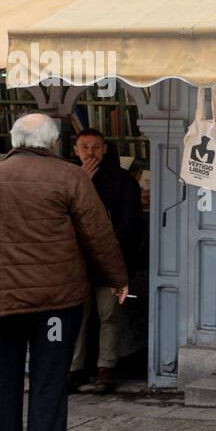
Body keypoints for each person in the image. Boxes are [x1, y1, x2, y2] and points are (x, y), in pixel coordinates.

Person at [0, 113, 128, 431]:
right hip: (55, 302)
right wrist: (117, 278)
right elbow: (98, 233)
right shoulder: (69, 176)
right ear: (53, 142)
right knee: (48, 378)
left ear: (14, 140)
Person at [69, 128, 144, 393]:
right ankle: (74, 369)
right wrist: (83, 184)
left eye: (96, 147)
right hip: (76, 262)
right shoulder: (69, 179)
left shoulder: (123, 181)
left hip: (111, 260)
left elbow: (130, 224)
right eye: (85, 147)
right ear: (75, 150)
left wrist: (113, 252)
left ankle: (106, 367)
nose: (91, 153)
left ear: (105, 149)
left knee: (109, 314)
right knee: (77, 316)